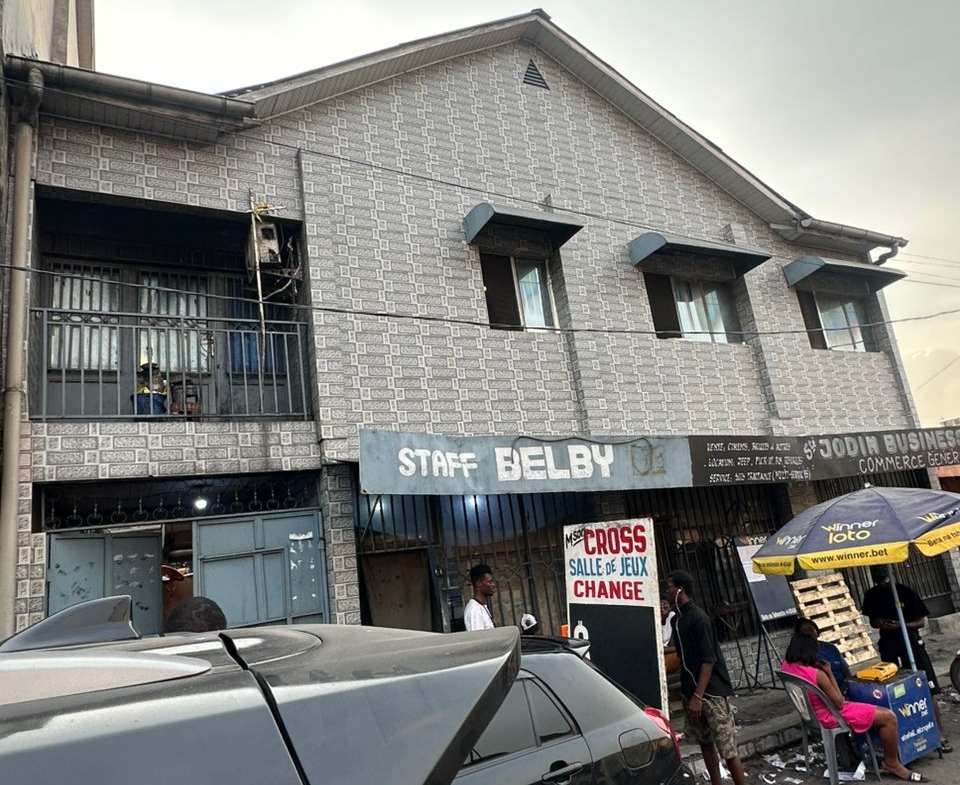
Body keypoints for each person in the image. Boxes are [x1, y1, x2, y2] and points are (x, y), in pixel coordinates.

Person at [782, 633, 927, 782]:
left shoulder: (786, 666)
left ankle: (877, 755)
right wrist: (829, 673)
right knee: (889, 717)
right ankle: (892, 762)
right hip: (830, 715)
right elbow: (839, 702)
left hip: (810, 715)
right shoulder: (818, 674)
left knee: (879, 711)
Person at [665, 570, 746, 785]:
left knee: (727, 749)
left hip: (711, 693)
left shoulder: (699, 619)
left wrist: (698, 696)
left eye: (669, 587)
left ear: (680, 590)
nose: (666, 592)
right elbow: (684, 659)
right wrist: (687, 693)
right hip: (692, 692)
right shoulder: (677, 621)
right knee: (705, 742)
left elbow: (708, 660)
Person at [862, 564, 952, 753]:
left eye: (882, 574)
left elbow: (920, 622)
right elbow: (873, 622)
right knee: (894, 690)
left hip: (910, 642)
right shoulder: (872, 595)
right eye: (876, 574)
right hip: (888, 644)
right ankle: (906, 734)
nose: (880, 578)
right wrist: (882, 623)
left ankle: (939, 733)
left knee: (928, 686)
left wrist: (902, 625)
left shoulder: (904, 592)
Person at [795, 616, 851, 693]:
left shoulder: (830, 647)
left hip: (843, 685)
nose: (809, 633)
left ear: (816, 631)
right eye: (804, 631)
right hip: (825, 690)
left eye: (811, 629)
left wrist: (849, 684)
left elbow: (845, 669)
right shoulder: (803, 655)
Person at [463, 563, 495, 631]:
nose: (493, 585)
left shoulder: (480, 606)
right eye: (490, 582)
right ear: (478, 583)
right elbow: (477, 636)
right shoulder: (474, 610)